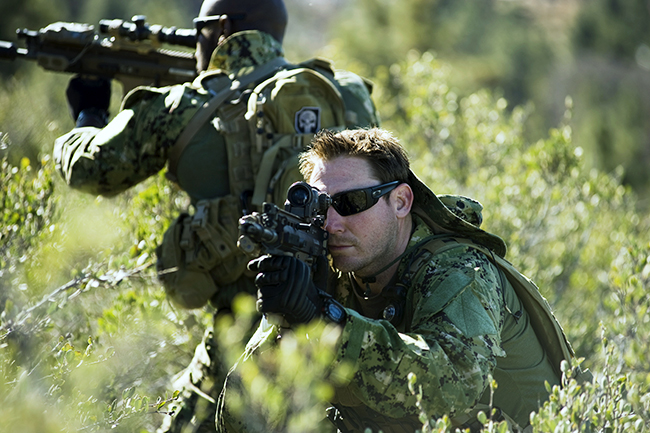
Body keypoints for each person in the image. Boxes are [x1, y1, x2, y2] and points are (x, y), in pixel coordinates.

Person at [52, 0, 379, 431]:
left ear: (221, 27)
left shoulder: (181, 106)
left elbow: (91, 171)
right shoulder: (345, 92)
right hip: (339, 322)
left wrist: (88, 113)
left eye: (200, 30)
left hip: (245, 333)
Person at [217, 128, 589, 433]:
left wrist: (324, 317)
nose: (332, 224)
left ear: (400, 202)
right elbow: (240, 420)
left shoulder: (460, 270)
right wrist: (286, 323)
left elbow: (450, 387)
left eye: (350, 203)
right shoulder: (332, 272)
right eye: (322, 207)